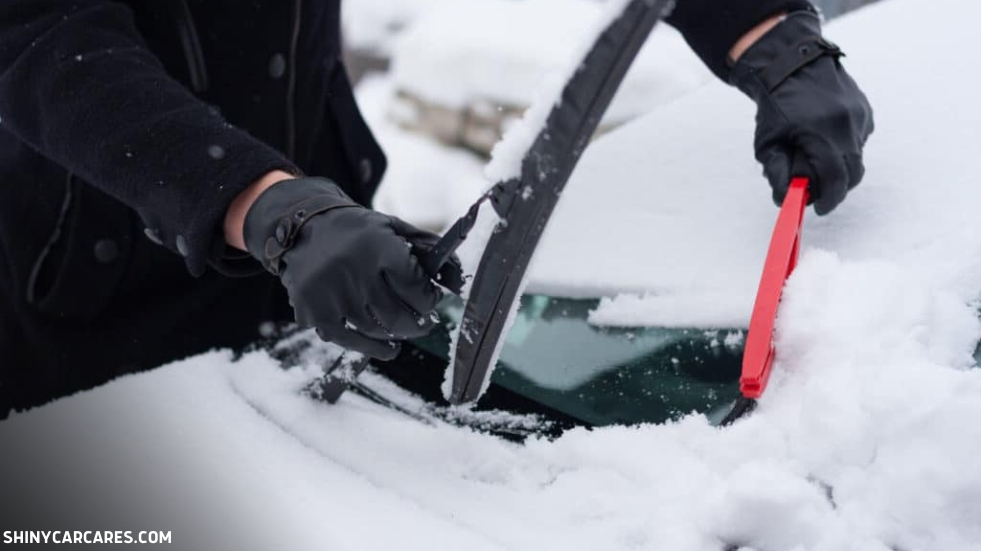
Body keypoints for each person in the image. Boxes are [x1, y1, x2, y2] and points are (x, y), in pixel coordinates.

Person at [0, 0, 873, 417]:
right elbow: (39, 40)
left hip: (324, 238)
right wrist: (261, 203)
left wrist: (764, 36)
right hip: (95, 296)